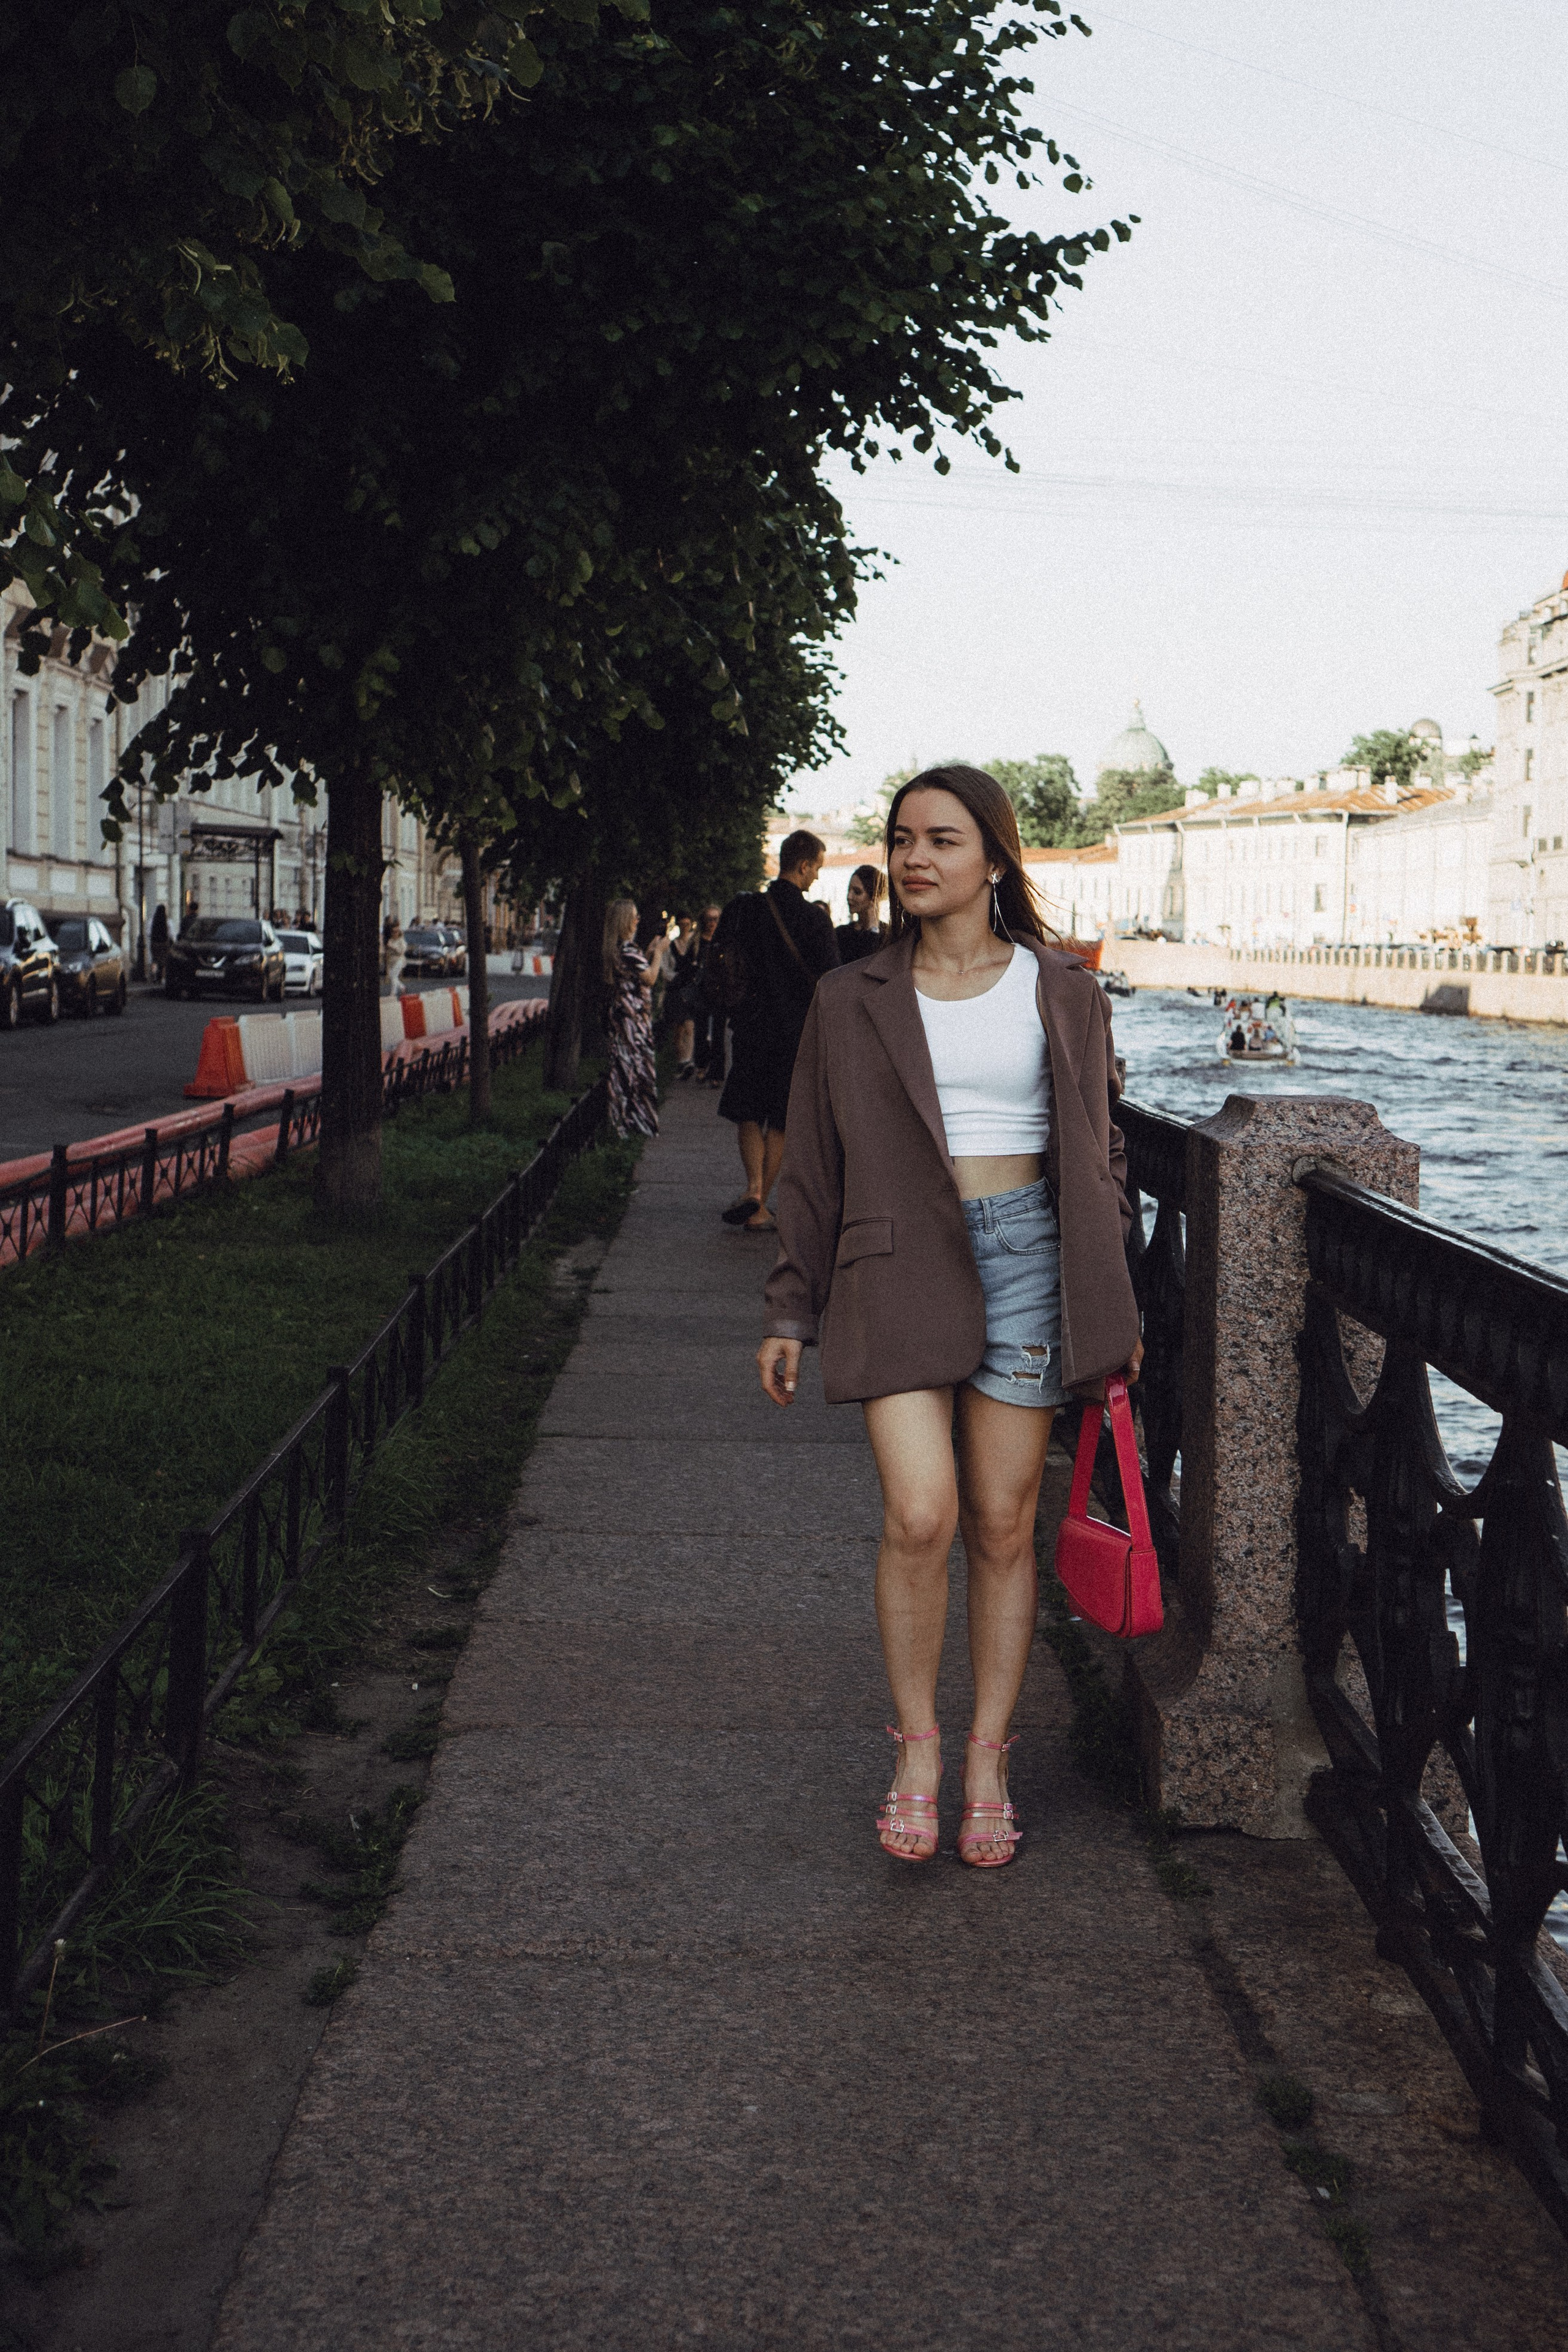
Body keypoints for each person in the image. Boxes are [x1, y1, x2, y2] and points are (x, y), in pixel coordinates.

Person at [755, 766, 1142, 1869]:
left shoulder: (1062, 990)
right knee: (922, 1515)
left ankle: (988, 1758)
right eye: (902, 838)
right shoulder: (850, 995)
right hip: (895, 1262)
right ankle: (917, 1749)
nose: (916, 857)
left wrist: (1113, 1301)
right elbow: (811, 1165)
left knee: (1004, 1524)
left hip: (1031, 1262)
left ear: (995, 860)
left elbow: (1103, 1158)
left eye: (943, 839)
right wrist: (791, 1303)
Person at [715, 831, 839, 1233]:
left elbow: (719, 958)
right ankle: (760, 1206)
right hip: (794, 1036)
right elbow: (831, 981)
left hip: (750, 1027)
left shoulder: (743, 909)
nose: (817, 877)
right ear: (803, 865)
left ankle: (752, 1188)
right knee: (781, 1122)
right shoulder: (814, 920)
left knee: (748, 1112)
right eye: (817, 868)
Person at [604, 897, 663, 1139]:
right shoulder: (628, 950)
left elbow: (636, 972)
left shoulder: (620, 948)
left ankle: (627, 1123)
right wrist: (658, 953)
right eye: (635, 916)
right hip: (632, 1020)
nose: (638, 920)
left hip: (624, 1016)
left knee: (625, 1068)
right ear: (625, 921)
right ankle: (635, 1124)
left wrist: (648, 952)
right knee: (634, 1068)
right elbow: (649, 978)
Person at [691, 904, 727, 1086]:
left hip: (720, 992)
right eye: (709, 919)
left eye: (716, 919)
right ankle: (701, 1067)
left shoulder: (725, 941)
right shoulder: (697, 941)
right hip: (701, 992)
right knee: (701, 1032)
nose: (713, 923)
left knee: (718, 1034)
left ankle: (717, 1074)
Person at [662, 911, 701, 1076]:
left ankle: (688, 1061)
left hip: (690, 990)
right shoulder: (671, 946)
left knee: (690, 1026)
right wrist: (677, 978)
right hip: (675, 991)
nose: (685, 927)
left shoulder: (696, 943)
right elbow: (665, 969)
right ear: (678, 925)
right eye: (682, 924)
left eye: (688, 924)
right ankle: (680, 1061)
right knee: (678, 1029)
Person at [834, 864, 888, 963]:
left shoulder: (889, 935)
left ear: (874, 897)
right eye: (849, 890)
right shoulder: (841, 934)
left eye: (857, 892)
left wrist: (873, 927)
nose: (849, 896)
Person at [383, 917, 406, 997]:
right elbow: (388, 950)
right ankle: (402, 987)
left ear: (399, 933)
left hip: (399, 960)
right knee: (391, 976)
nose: (394, 934)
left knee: (393, 975)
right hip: (391, 960)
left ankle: (393, 993)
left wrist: (393, 948)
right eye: (393, 932)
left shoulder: (401, 941)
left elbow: (401, 951)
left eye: (396, 932)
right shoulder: (391, 940)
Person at [149, 902, 169, 979]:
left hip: (155, 943)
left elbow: (149, 932)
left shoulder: (153, 921)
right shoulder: (166, 921)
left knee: (155, 959)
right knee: (162, 961)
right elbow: (170, 933)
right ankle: (160, 976)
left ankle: (153, 974)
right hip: (164, 943)